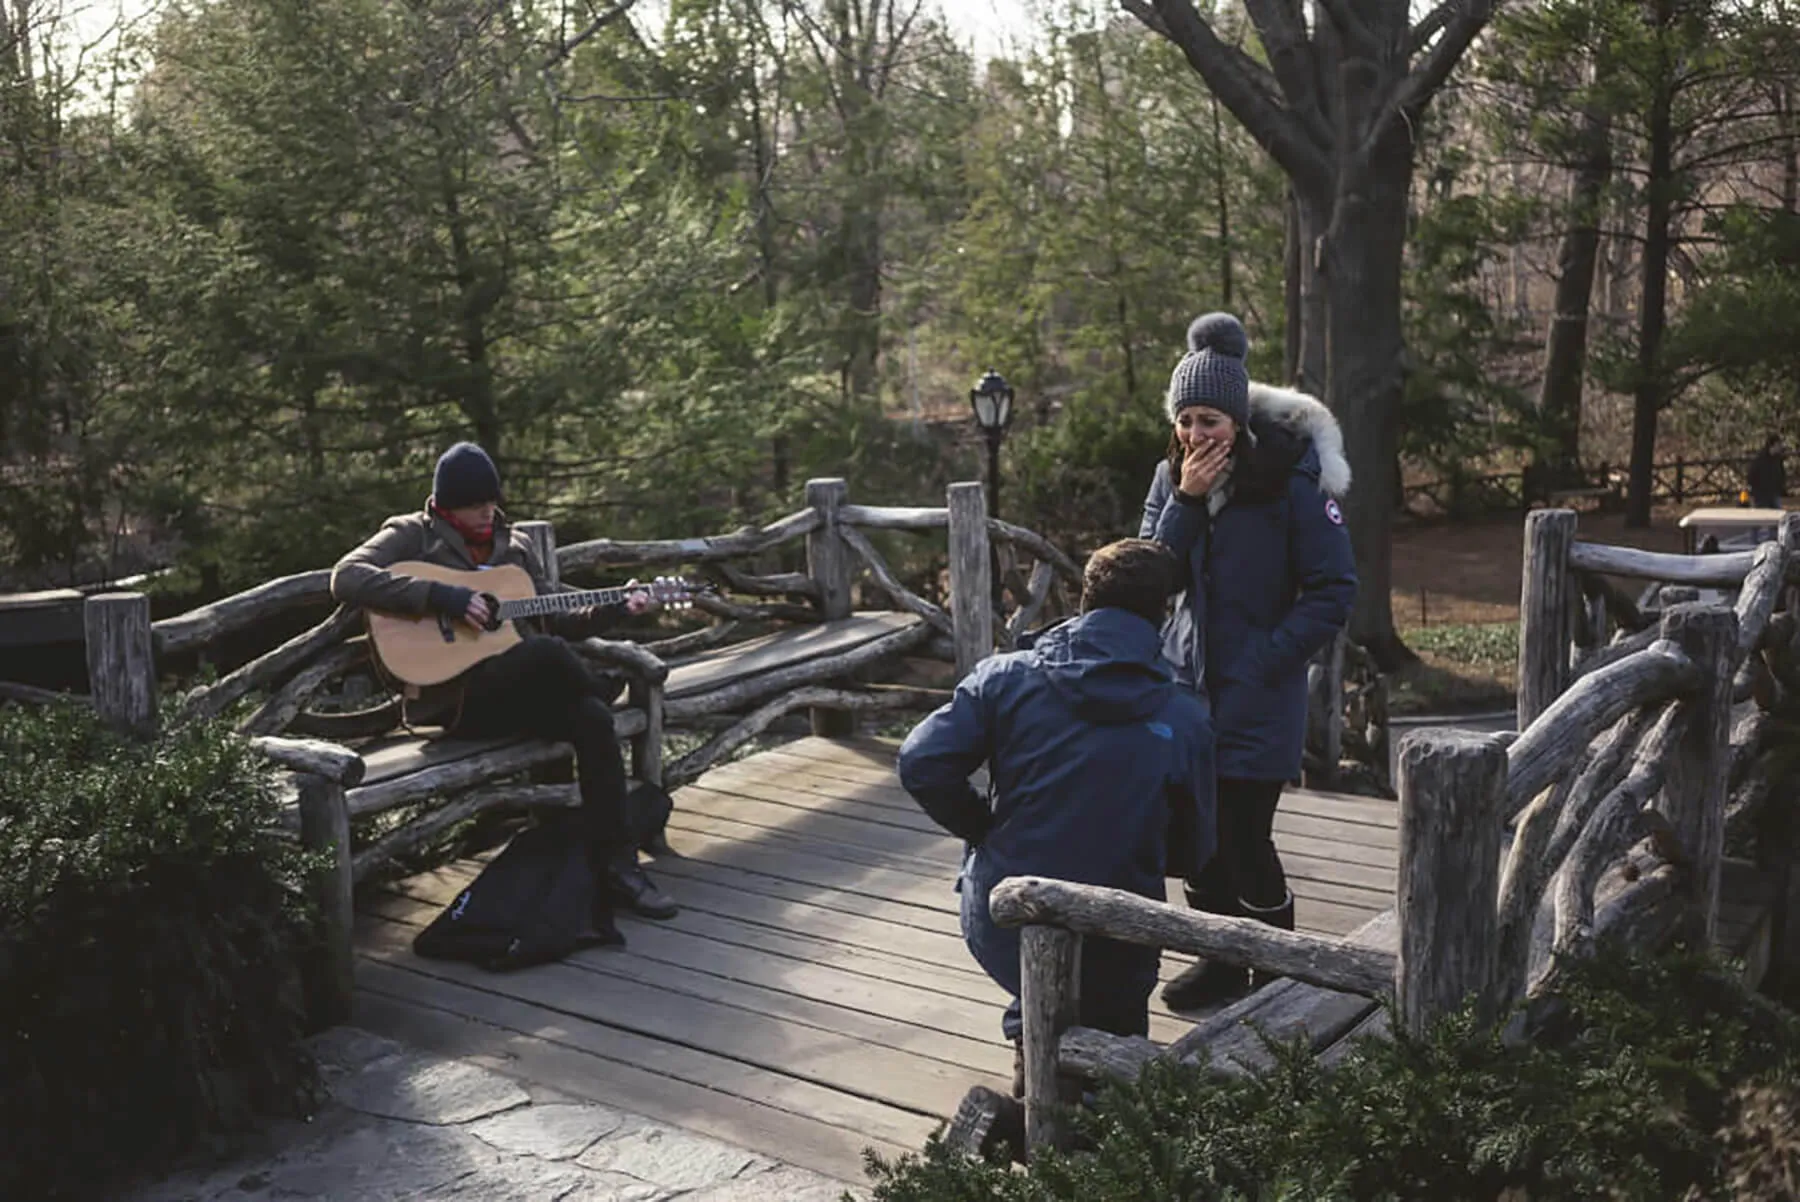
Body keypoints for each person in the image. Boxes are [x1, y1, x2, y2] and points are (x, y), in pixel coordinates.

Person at [897, 538, 1216, 1154]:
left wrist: (982, 829)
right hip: (1119, 926)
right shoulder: (1184, 715)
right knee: (1114, 1011)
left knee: (1038, 983)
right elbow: (1195, 851)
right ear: (1165, 613)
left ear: (1082, 597)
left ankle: (1034, 1095)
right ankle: (1090, 1129)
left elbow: (921, 761)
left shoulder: (1006, 678)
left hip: (1003, 914)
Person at [330, 441, 678, 920]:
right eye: (476, 505)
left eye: (492, 501)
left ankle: (619, 867)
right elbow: (347, 576)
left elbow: (558, 616)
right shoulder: (410, 535)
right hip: (455, 702)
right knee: (547, 655)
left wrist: (619, 605)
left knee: (593, 719)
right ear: (446, 503)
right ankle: (595, 683)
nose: (488, 512)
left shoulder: (515, 544)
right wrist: (443, 597)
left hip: (521, 689)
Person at [1140, 313, 1357, 1010]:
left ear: (1238, 419)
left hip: (1259, 692)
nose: (1198, 435)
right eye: (1188, 420)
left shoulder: (1291, 480)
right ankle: (1222, 961)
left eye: (1212, 420)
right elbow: (1149, 574)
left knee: (1244, 838)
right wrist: (1187, 502)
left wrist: (1269, 659)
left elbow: (1333, 590)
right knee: (1192, 840)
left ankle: (1280, 969)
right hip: (1184, 692)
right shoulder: (1171, 478)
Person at [1748, 434, 1786, 510]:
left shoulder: (1778, 458)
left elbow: (1781, 473)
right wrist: (1753, 492)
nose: (1780, 446)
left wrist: (1781, 486)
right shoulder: (1760, 459)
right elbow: (1752, 475)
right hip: (1761, 495)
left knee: (1778, 514)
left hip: (1774, 493)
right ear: (1773, 445)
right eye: (1778, 444)